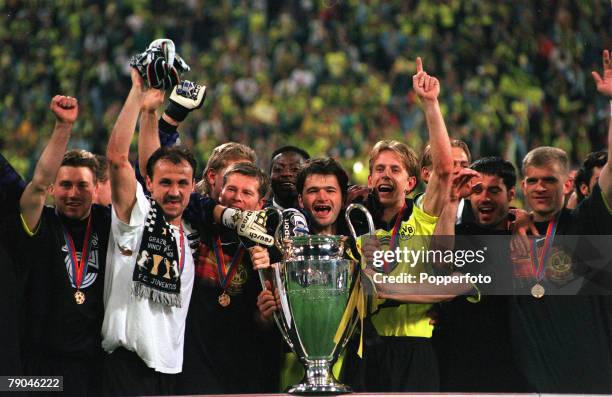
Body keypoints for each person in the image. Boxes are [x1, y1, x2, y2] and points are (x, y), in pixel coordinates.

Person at [343, 57, 454, 392]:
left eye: (394, 169)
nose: (385, 175)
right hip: (364, 347)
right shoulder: (355, 223)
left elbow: (445, 170)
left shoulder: (422, 218)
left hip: (414, 348)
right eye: (379, 168)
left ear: (411, 182)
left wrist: (430, 105)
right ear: (370, 176)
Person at [102, 70, 196, 396]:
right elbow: (117, 158)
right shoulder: (137, 217)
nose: (174, 191)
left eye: (182, 183)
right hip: (127, 369)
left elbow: (152, 160)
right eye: (165, 183)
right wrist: (137, 92)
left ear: (192, 187)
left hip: (170, 370)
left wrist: (151, 114)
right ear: (150, 184)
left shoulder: (188, 233)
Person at [16, 96, 109, 396]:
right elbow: (38, 184)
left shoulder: (108, 224)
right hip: (39, 366)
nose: (73, 193)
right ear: (54, 189)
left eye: (82, 185)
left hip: (94, 366)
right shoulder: (39, 221)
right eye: (65, 185)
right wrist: (63, 127)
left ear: (96, 189)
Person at [432, 157, 528, 392]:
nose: (484, 198)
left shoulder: (526, 238)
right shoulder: (458, 234)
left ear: (511, 194)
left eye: (494, 190)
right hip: (459, 367)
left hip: (512, 371)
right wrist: (452, 199)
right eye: (477, 190)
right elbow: (438, 261)